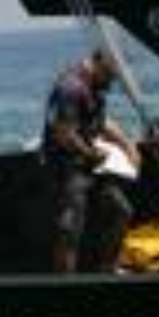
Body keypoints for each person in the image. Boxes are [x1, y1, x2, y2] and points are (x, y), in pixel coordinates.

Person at [41, 48, 142, 272]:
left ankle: (107, 268)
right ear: (98, 65)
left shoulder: (95, 87)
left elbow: (101, 122)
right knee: (70, 231)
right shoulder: (69, 88)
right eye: (111, 76)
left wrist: (127, 145)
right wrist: (91, 154)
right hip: (66, 169)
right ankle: (65, 283)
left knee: (120, 211)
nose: (112, 82)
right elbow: (63, 133)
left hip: (91, 167)